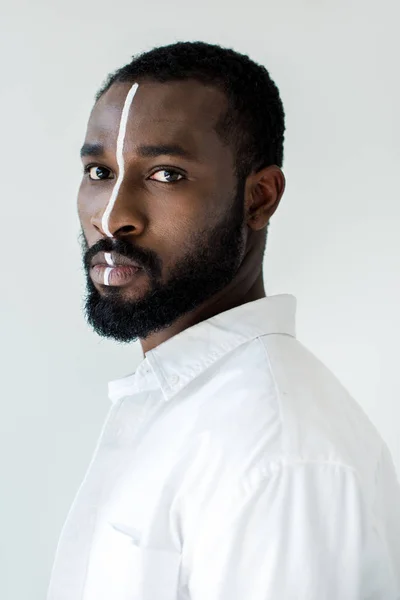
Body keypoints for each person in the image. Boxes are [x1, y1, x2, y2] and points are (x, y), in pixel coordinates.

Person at [47, 41, 400, 599]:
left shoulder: (278, 452)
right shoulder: (183, 404)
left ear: (259, 198)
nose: (111, 216)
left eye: (165, 174)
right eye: (99, 170)